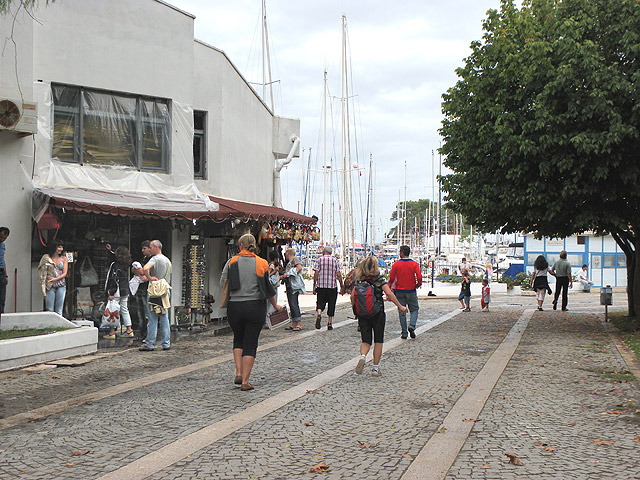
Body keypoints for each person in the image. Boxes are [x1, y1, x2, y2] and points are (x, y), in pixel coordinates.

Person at [221, 234, 282, 391]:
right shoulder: (261, 263)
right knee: (250, 343)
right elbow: (267, 289)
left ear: (240, 245)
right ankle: (245, 382)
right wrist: (275, 306)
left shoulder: (232, 262)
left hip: (235, 307)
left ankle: (239, 372)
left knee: (238, 339)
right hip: (255, 307)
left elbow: (223, 282)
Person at [351, 256, 408, 376]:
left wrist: (356, 311)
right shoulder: (379, 279)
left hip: (363, 314)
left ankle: (363, 356)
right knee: (378, 340)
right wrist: (400, 306)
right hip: (377, 313)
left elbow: (352, 297)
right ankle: (375, 369)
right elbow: (389, 293)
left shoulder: (359, 280)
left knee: (365, 340)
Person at [139, 240, 172, 351]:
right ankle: (166, 343)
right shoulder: (167, 260)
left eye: (151, 247)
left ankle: (150, 343)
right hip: (165, 290)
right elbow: (170, 277)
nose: (150, 248)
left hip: (155, 291)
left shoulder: (154, 259)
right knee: (164, 317)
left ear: (156, 247)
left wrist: (149, 278)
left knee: (152, 318)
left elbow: (145, 268)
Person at [388, 245, 422, 339]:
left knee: (401, 311)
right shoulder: (414, 264)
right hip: (411, 290)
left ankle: (404, 333)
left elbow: (391, 278)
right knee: (414, 309)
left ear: (402, 253)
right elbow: (419, 277)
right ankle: (412, 325)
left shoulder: (396, 264)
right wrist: (418, 284)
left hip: (399, 291)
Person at [103, 246, 134, 339]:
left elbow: (114, 280)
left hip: (117, 291)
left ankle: (112, 332)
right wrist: (110, 250)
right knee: (124, 309)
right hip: (125, 289)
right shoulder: (126, 264)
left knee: (113, 310)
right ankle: (129, 330)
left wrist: (111, 293)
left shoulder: (115, 265)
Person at [313, 246, 344, 331]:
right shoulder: (335, 261)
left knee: (320, 302)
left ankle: (319, 313)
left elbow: (316, 273)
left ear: (324, 251)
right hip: (332, 286)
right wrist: (342, 286)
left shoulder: (319, 260)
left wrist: (314, 286)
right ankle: (329, 323)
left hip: (321, 286)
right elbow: (338, 274)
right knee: (331, 304)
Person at [38, 240, 68, 316]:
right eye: (59, 247)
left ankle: (59, 325)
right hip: (49, 285)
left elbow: (65, 273)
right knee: (49, 309)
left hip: (61, 285)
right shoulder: (47, 258)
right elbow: (42, 270)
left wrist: (56, 279)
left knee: (59, 309)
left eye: (62, 247)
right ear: (54, 247)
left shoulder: (64, 258)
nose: (61, 249)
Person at [131, 241, 152, 341]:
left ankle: (148, 334)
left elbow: (145, 272)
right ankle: (142, 333)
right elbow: (134, 270)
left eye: (144, 248)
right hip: (140, 289)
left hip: (147, 289)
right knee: (141, 313)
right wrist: (139, 272)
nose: (142, 251)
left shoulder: (153, 259)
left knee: (147, 313)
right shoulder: (142, 259)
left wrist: (142, 273)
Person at [280, 248, 303, 331]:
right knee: (291, 303)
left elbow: (299, 268)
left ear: (288, 253)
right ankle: (294, 323)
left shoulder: (295, 259)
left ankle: (299, 323)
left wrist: (288, 274)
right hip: (290, 285)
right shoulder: (289, 262)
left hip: (294, 286)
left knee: (294, 303)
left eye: (285, 253)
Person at [266, 250, 283, 328]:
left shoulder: (271, 264)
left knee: (271, 304)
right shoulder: (271, 266)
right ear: (276, 258)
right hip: (273, 286)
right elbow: (268, 275)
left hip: (274, 286)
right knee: (272, 303)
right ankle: (268, 322)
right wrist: (275, 271)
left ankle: (268, 321)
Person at [0, 227, 9, 322]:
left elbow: (2, 260)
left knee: (2, 299)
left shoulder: (3, 246)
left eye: (4, 238)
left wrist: (6, 275)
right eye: (1, 237)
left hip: (2, 273)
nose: (2, 239)